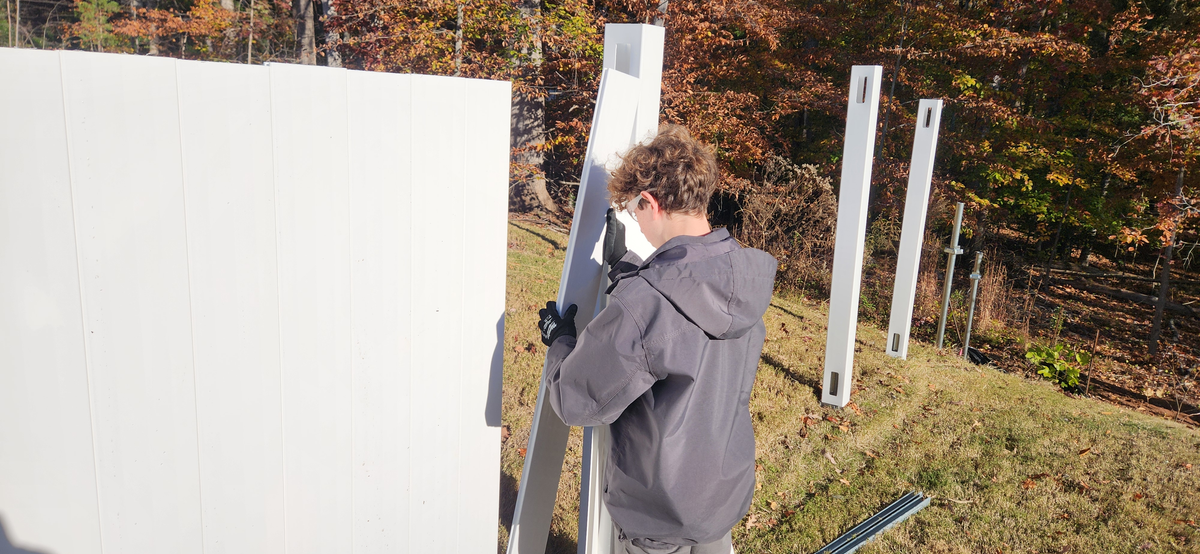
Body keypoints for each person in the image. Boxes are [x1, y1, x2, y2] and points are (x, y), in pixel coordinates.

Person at [537, 124, 778, 554]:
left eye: (635, 210)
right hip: (721, 495)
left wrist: (561, 341)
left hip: (660, 513)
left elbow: (575, 400)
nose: (638, 222)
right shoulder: (738, 275)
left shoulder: (645, 304)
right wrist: (627, 269)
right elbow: (682, 306)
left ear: (650, 202)